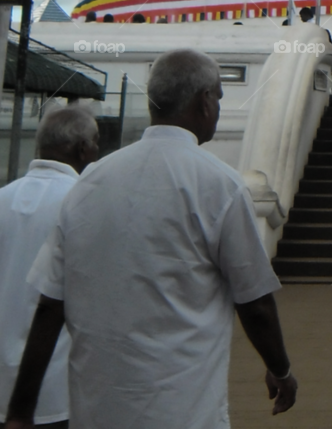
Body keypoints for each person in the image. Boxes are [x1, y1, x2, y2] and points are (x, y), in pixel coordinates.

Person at [6, 49, 297, 429]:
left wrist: (20, 412)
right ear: (205, 101)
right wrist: (280, 369)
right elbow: (254, 302)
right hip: (182, 409)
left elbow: (49, 305)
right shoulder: (219, 183)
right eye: (219, 98)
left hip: (97, 409)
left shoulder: (92, 180)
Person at [0, 107, 99, 428]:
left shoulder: (3, 198)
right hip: (56, 391)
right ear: (83, 147)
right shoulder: (85, 204)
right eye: (96, 142)